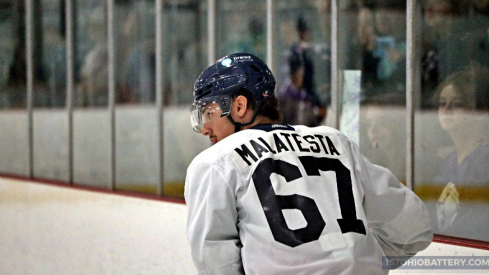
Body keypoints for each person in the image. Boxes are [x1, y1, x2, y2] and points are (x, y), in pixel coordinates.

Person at [185, 53, 433, 274]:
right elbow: (415, 226)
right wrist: (364, 262)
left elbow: (215, 263)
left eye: (209, 113)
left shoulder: (216, 162)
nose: (204, 128)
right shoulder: (336, 142)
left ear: (240, 106)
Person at [431, 67, 489, 241]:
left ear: (481, 113)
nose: (447, 110)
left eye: (458, 104)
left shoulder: (485, 160)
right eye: (442, 103)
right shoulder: (447, 162)